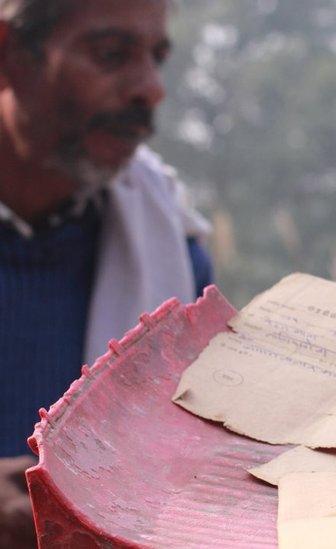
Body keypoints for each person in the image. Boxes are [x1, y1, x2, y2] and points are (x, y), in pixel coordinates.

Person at [0, 0, 212, 545]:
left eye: (156, 58)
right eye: (112, 54)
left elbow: (198, 468)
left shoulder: (170, 245)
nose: (150, 89)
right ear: (8, 54)